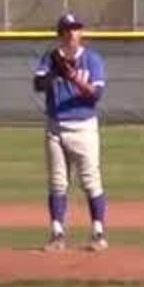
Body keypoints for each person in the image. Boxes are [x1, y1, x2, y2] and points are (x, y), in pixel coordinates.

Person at [32, 13, 108, 252]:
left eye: (75, 29)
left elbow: (95, 95)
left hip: (84, 127)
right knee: (57, 183)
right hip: (55, 128)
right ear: (60, 35)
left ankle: (98, 232)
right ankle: (57, 233)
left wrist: (73, 77)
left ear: (80, 33)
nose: (72, 34)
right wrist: (57, 71)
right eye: (67, 30)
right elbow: (38, 85)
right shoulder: (51, 58)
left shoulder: (92, 59)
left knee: (90, 181)